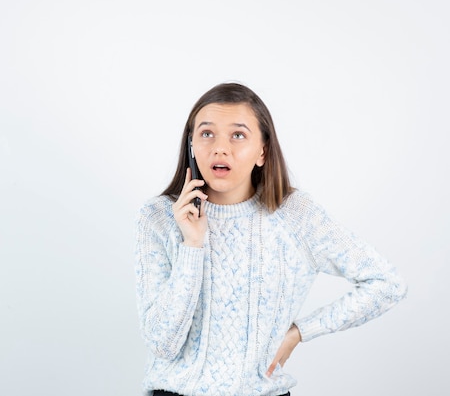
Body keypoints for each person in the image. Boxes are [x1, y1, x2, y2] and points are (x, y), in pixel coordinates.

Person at [134, 82, 407, 396]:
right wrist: (192, 245)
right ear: (192, 145)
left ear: (262, 151)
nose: (220, 148)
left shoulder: (295, 215)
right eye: (207, 133)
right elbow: (161, 344)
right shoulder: (157, 217)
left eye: (238, 135)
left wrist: (300, 332)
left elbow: (386, 283)